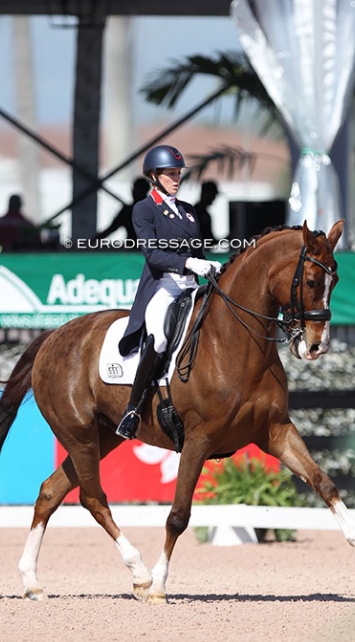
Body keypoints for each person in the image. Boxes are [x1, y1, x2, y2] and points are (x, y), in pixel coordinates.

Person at [115, 144, 222, 440]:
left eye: (178, 174)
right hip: (164, 286)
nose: (176, 179)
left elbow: (199, 250)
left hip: (191, 285)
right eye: (170, 174)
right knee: (160, 338)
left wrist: (211, 268)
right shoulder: (144, 210)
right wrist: (189, 262)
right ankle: (133, 409)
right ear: (154, 176)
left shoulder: (188, 211)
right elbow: (153, 254)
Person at [95, 177, 150, 242]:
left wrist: (89, 242)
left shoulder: (128, 211)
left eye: (138, 190)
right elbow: (111, 229)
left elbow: (111, 229)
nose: (135, 192)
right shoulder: (128, 211)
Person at [194, 180, 220, 245]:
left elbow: (209, 240)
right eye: (213, 194)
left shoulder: (204, 214)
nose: (214, 198)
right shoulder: (194, 213)